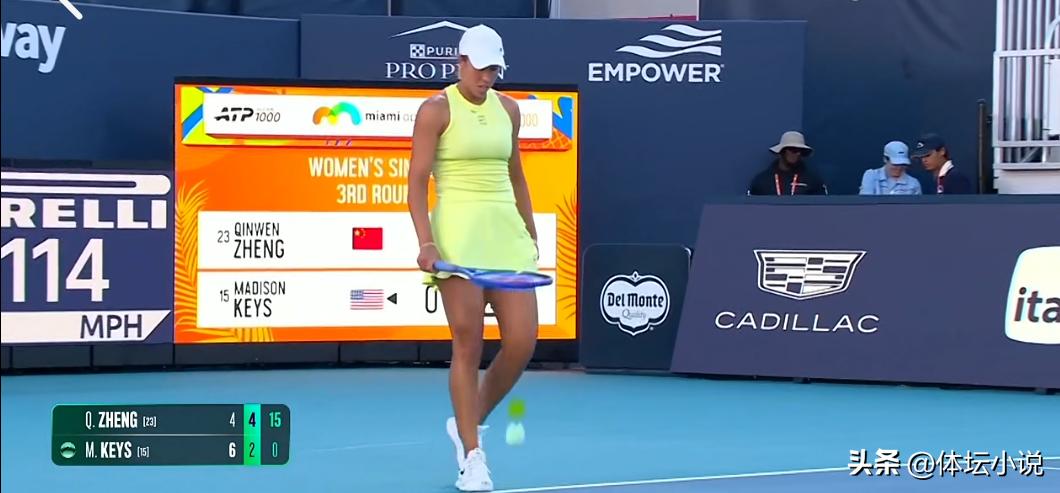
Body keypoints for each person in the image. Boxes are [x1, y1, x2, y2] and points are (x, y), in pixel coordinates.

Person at [406, 24, 540, 492]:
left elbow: (516, 174)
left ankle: (467, 423)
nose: (486, 77)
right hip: (458, 237)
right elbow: (416, 182)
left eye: (494, 69)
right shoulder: (435, 110)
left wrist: (529, 227)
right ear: (461, 62)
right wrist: (426, 242)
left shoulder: (509, 109)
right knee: (468, 343)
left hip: (506, 235)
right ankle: (473, 456)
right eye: (480, 68)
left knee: (522, 343)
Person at [747, 131, 828, 195]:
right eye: (793, 149)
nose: (798, 154)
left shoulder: (813, 181)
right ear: (781, 152)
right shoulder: (762, 181)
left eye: (801, 151)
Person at [858, 141, 923, 195]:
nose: (899, 168)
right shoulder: (871, 175)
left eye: (902, 164)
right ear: (885, 159)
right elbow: (865, 203)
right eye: (895, 164)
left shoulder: (913, 183)